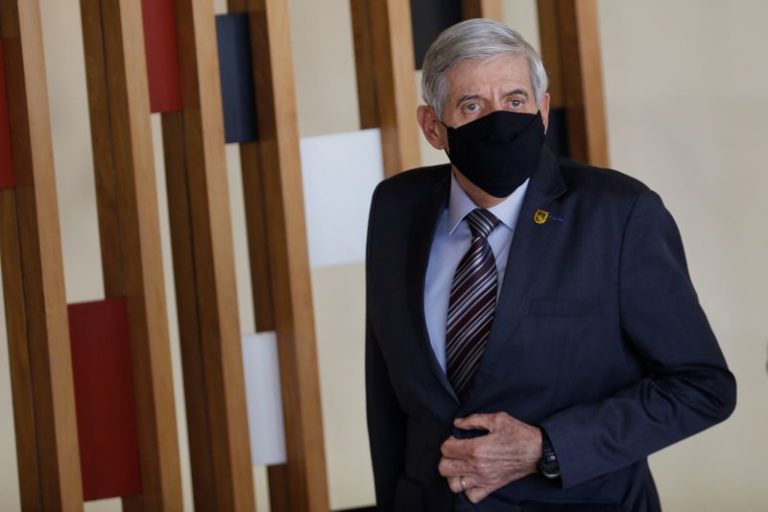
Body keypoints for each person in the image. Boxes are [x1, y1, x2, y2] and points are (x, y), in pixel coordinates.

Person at [364, 18, 736, 512]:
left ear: (541, 110)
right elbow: (386, 396)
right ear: (434, 127)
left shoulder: (619, 214)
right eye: (472, 105)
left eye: (515, 100)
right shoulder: (395, 208)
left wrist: (548, 447)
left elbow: (702, 387)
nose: (498, 120)